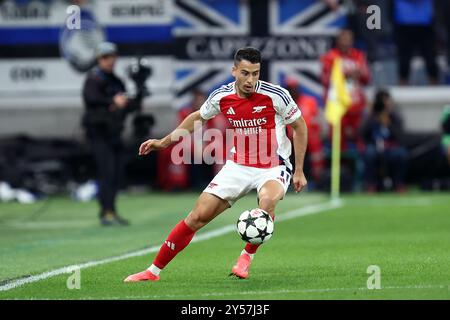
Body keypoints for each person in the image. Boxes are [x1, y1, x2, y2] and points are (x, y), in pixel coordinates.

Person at [124, 47, 308, 282]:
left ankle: (245, 259)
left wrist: (299, 170)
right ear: (233, 71)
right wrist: (164, 142)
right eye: (245, 73)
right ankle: (153, 271)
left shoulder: (277, 95)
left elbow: (300, 126)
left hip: (274, 165)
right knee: (197, 216)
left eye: (255, 73)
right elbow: (197, 118)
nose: (251, 80)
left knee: (268, 201)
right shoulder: (221, 97)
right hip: (238, 165)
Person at [81, 42, 136, 226]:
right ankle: (106, 212)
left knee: (116, 174)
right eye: (105, 57)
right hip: (99, 134)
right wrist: (111, 101)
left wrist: (130, 103)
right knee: (107, 172)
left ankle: (111, 210)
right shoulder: (94, 79)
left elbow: (124, 106)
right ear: (99, 59)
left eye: (112, 56)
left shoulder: (117, 81)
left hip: (114, 132)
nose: (110, 60)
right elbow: (91, 99)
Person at [321, 29, 371, 152]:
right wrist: (345, 74)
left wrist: (361, 73)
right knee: (337, 142)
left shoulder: (359, 56)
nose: (346, 42)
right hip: (338, 105)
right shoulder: (329, 57)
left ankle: (360, 167)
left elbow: (367, 79)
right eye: (343, 39)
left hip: (356, 105)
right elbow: (325, 80)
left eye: (348, 39)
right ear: (338, 41)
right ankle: (339, 168)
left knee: (359, 140)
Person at [360, 89, 408, 193]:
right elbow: (362, 133)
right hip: (374, 146)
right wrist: (371, 116)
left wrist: (389, 124)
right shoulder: (371, 116)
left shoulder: (395, 116)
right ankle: (371, 184)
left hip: (391, 146)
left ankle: (399, 184)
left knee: (401, 154)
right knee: (369, 154)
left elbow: (400, 136)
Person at [284, 77, 325, 186]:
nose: (293, 91)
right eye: (290, 88)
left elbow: (317, 121)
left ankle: (317, 181)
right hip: (290, 139)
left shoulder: (309, 101)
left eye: (294, 88)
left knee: (315, 145)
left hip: (311, 137)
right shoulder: (284, 103)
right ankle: (288, 181)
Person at [393, 0, 439, 85]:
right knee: (404, 61)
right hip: (403, 22)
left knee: (431, 60)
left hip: (426, 22)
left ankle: (437, 93)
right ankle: (402, 94)